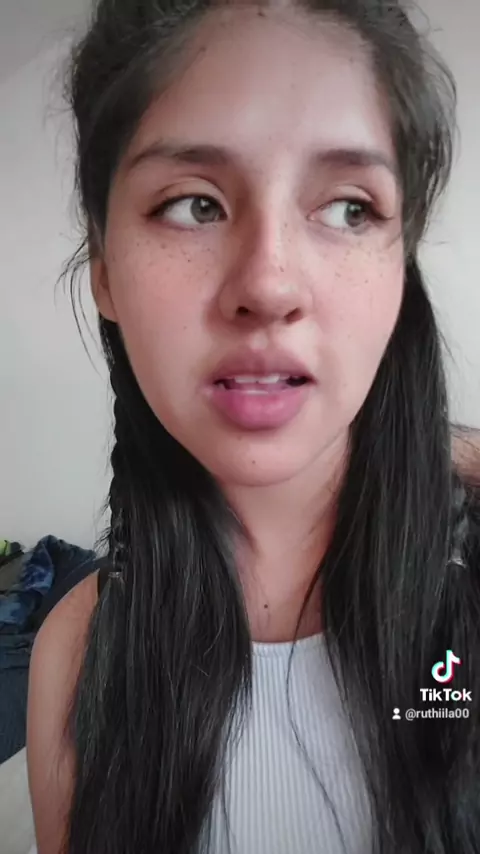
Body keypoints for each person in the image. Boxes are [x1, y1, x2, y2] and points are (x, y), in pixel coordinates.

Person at [26, 1, 480, 852]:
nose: (269, 286)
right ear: (105, 271)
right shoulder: (77, 656)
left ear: (400, 269)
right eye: (193, 205)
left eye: (349, 209)